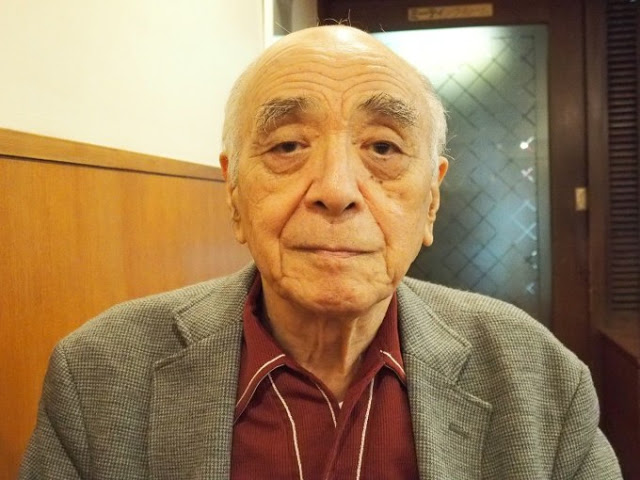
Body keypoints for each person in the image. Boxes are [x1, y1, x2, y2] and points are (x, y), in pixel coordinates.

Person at [20, 26, 621, 479]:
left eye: (383, 148)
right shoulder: (99, 375)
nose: (336, 189)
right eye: (287, 145)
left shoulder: (541, 378)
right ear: (233, 191)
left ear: (432, 199)